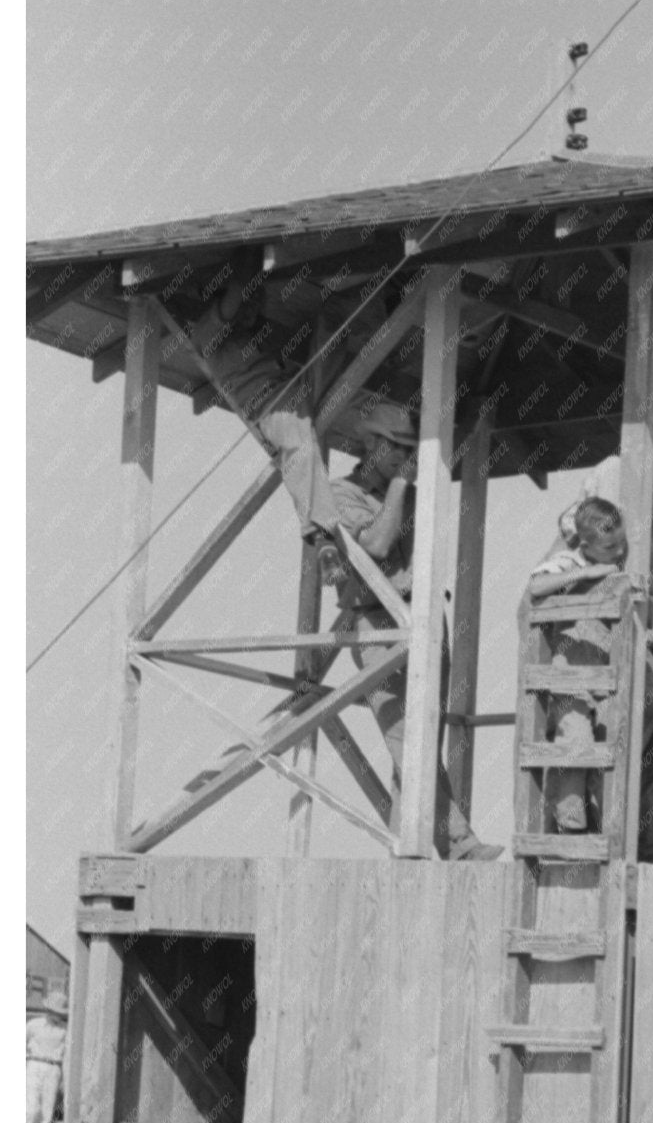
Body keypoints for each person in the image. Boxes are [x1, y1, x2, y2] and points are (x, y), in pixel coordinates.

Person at [331, 400, 501, 858]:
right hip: (376, 622)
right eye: (397, 448)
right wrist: (403, 484)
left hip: (424, 620)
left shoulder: (408, 491)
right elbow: (377, 546)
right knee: (408, 738)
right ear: (370, 443)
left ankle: (403, 852)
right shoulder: (341, 492)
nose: (403, 458)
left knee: (416, 743)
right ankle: (460, 843)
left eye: (410, 449)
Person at [188, 268, 347, 574]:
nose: (253, 310)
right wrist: (248, 261)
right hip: (270, 404)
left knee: (334, 328)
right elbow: (234, 295)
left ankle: (383, 295)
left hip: (295, 389)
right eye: (246, 303)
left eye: (256, 303)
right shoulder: (207, 338)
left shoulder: (255, 336)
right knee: (300, 448)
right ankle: (321, 534)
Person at [553, 385, 653, 628]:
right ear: (648, 434)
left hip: (623, 575)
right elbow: (606, 541)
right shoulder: (617, 470)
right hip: (578, 572)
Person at [528, 496, 630, 833]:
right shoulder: (568, 562)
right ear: (585, 544)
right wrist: (588, 572)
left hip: (604, 677)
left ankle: (601, 829)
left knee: (606, 752)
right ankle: (570, 826)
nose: (617, 551)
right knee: (576, 744)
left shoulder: (622, 556)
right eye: (608, 546)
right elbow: (536, 586)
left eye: (619, 542)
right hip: (569, 676)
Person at [27, 985, 67, 1123]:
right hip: (34, 1065)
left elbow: (66, 1055)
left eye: (59, 1012)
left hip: (54, 1069)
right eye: (52, 1010)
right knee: (30, 1109)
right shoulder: (33, 1025)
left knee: (47, 1112)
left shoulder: (65, 1030)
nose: (55, 1015)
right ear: (47, 1009)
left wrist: (64, 1078)